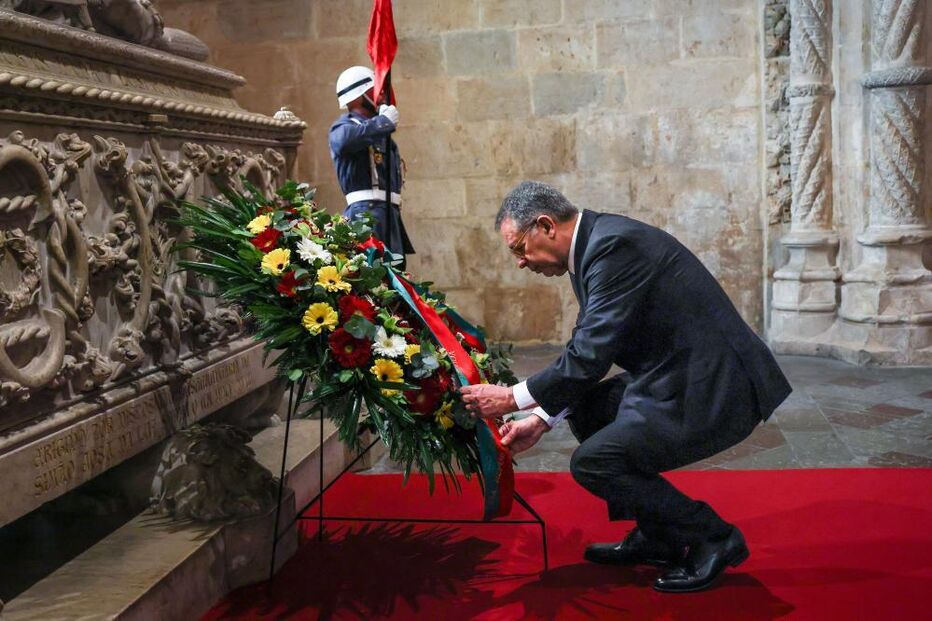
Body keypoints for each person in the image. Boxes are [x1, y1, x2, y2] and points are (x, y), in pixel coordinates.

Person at [459, 181, 792, 593]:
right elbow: (590, 345)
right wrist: (541, 419)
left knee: (594, 462)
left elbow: (588, 356)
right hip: (678, 372)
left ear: (545, 225)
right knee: (589, 410)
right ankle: (660, 535)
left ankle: (713, 537)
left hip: (717, 384)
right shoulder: (596, 246)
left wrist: (511, 397)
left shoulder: (613, 248)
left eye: (519, 248)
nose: (521, 262)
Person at [329, 65, 415, 264]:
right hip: (366, 216)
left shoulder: (374, 130)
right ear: (359, 95)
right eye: (374, 90)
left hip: (388, 215)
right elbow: (343, 141)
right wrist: (382, 123)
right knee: (375, 281)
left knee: (396, 283)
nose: (381, 95)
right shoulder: (345, 126)